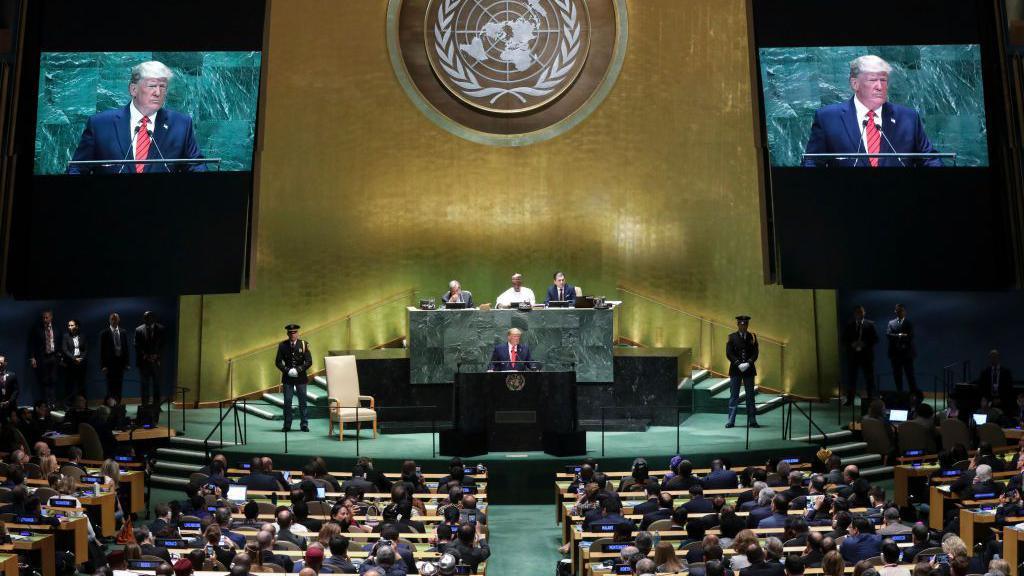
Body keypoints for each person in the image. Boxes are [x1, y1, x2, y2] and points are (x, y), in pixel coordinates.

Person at [802, 55, 942, 168]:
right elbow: (812, 162)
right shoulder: (827, 118)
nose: (879, 86)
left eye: (883, 80)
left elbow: (929, 159)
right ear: (855, 84)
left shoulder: (908, 118)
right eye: (873, 80)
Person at [68, 61, 204, 174]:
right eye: (152, 86)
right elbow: (77, 168)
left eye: (162, 87)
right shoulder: (100, 124)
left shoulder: (181, 124)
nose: (158, 92)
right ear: (133, 89)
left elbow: (196, 165)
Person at [275, 324, 312, 432]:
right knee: (287, 401)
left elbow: (309, 361)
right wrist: (287, 370)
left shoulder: (304, 344)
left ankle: (304, 424)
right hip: (288, 378)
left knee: (303, 401)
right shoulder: (282, 345)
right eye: (290, 333)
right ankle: (287, 425)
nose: (292, 334)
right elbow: (277, 362)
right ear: (287, 333)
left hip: (300, 377)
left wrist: (298, 369)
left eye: (295, 332)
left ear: (298, 333)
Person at [726, 315, 759, 428]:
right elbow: (729, 353)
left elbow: (755, 353)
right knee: (734, 396)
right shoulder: (732, 337)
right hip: (736, 370)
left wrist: (749, 363)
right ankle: (731, 420)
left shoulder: (752, 337)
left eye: (746, 324)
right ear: (738, 324)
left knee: (750, 396)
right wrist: (738, 363)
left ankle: (752, 419)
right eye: (741, 324)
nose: (744, 326)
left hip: (749, 370)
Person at [843, 306, 878, 405]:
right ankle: (850, 400)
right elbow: (844, 339)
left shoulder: (870, 325)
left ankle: (870, 399)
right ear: (855, 314)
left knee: (869, 378)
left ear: (864, 313)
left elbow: (875, 339)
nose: (860, 314)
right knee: (852, 379)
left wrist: (865, 344)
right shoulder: (849, 325)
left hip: (866, 356)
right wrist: (851, 344)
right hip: (853, 356)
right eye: (858, 312)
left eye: (861, 312)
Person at [29, 310, 60, 407]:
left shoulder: (56, 328)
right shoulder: (37, 329)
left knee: (54, 380)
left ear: (51, 317)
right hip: (42, 357)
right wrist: (32, 357)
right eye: (43, 318)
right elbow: (32, 344)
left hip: (54, 357)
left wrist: (60, 356)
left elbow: (59, 342)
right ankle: (47, 403)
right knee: (45, 381)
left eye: (47, 317)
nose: (45, 319)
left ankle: (53, 402)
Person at [135, 311, 166, 408]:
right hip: (144, 363)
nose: (146, 319)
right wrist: (146, 356)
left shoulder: (161, 329)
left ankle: (156, 406)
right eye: (145, 317)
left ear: (153, 318)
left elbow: (164, 345)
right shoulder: (138, 329)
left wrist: (156, 355)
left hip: (156, 362)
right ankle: (145, 406)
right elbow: (136, 345)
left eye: (148, 317)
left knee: (157, 385)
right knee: (144, 386)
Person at [887, 304, 918, 393]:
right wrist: (900, 335)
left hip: (907, 354)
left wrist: (896, 336)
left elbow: (910, 336)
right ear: (895, 311)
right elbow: (888, 335)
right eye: (897, 310)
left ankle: (914, 395)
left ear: (905, 312)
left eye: (901, 310)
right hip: (895, 354)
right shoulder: (891, 323)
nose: (899, 312)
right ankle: (899, 395)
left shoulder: (909, 323)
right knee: (897, 376)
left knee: (910, 376)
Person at [100, 312, 130, 401]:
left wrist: (127, 363)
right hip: (109, 365)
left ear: (119, 320)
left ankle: (118, 406)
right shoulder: (104, 333)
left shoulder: (123, 332)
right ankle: (111, 406)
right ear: (109, 320)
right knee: (110, 386)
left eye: (116, 319)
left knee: (119, 386)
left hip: (120, 364)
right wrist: (103, 365)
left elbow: (126, 349)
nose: (114, 321)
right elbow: (102, 351)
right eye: (112, 319)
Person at [60, 319, 88, 403]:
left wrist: (81, 359)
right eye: (69, 325)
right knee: (69, 385)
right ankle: (69, 404)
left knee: (81, 385)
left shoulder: (83, 336)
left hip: (81, 364)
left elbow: (85, 349)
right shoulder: (66, 336)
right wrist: (74, 358)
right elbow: (65, 349)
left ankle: (83, 403)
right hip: (70, 364)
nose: (70, 327)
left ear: (77, 326)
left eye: (72, 325)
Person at [0, 355, 19, 420]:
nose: (0, 365)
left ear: (5, 363)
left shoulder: (12, 375)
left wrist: (9, 401)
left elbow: (16, 390)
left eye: (1, 363)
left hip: (10, 406)